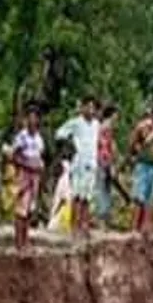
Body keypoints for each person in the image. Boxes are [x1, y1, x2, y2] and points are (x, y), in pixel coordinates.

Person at [55, 96, 100, 237]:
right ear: (82, 108)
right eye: (88, 107)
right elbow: (59, 133)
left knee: (87, 196)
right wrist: (71, 144)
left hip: (91, 162)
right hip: (79, 162)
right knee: (77, 195)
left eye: (93, 107)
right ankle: (74, 226)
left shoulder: (96, 124)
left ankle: (84, 225)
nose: (90, 110)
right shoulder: (75, 123)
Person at [11, 107, 46, 251]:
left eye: (35, 118)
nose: (32, 121)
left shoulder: (39, 138)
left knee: (30, 209)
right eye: (30, 117)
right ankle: (19, 242)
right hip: (24, 175)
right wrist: (28, 165)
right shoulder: (21, 137)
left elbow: (40, 157)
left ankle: (26, 240)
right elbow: (14, 157)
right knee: (21, 209)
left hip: (35, 176)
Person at [127, 104, 153, 236]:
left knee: (150, 198)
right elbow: (132, 143)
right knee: (139, 197)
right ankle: (134, 228)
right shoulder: (142, 127)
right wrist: (136, 153)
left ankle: (145, 228)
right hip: (143, 164)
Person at [96, 104, 118, 225]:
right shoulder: (104, 127)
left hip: (106, 160)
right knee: (103, 187)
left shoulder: (105, 128)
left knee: (105, 187)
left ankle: (105, 214)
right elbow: (105, 145)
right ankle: (102, 214)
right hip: (103, 160)